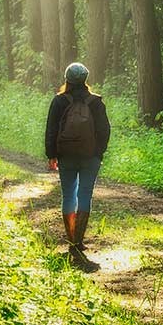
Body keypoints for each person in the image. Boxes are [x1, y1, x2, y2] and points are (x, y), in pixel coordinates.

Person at [45, 63, 111, 257]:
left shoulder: (59, 101)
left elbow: (51, 129)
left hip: (66, 155)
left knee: (68, 196)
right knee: (84, 195)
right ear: (85, 79)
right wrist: (99, 152)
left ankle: (70, 238)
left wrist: (52, 155)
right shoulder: (96, 102)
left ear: (67, 79)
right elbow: (104, 130)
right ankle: (78, 241)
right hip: (90, 157)